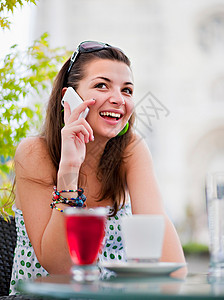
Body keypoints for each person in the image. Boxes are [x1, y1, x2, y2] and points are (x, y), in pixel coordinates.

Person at [10, 41, 186, 294]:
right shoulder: (34, 152)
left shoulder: (130, 149)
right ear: (68, 97)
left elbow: (169, 255)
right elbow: (62, 267)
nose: (118, 99)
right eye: (101, 85)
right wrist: (69, 168)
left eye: (127, 90)